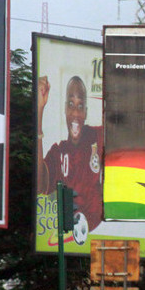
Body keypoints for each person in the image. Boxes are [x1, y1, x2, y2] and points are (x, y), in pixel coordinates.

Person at [37, 75, 103, 233]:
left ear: (86, 113)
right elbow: (40, 185)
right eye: (71, 105)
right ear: (65, 109)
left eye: (80, 107)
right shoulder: (58, 152)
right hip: (67, 236)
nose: (75, 112)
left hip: (101, 233)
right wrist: (39, 110)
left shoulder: (96, 136)